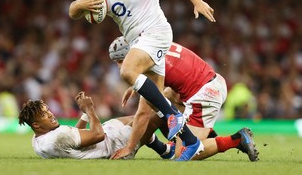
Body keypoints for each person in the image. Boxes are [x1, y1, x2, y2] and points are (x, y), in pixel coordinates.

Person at [68, 0, 215, 161]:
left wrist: (197, 1)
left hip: (155, 33)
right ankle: (190, 142)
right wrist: (80, 5)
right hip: (138, 42)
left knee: (127, 71)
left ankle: (173, 115)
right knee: (145, 110)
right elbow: (72, 12)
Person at [109, 36, 259, 161]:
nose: (120, 67)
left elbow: (143, 114)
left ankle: (237, 139)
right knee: (159, 104)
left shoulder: (150, 64)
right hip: (206, 83)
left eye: (120, 61)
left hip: (205, 94)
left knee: (183, 152)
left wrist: (128, 147)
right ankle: (169, 144)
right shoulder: (153, 45)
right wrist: (135, 86)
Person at [18, 91, 176, 159]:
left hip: (108, 134)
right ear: (36, 125)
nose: (51, 114)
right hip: (114, 145)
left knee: (138, 118)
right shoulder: (57, 138)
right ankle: (183, 145)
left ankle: (165, 150)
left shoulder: (38, 139)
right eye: (45, 115)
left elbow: (74, 138)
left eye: (48, 110)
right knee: (157, 110)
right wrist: (90, 108)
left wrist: (85, 114)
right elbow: (98, 135)